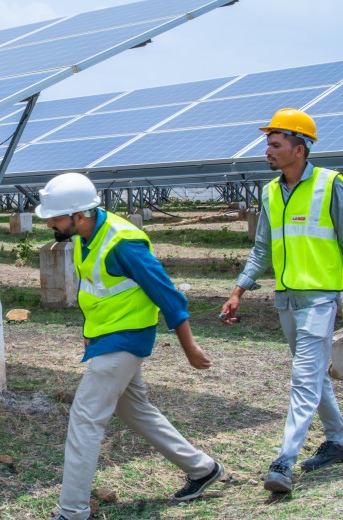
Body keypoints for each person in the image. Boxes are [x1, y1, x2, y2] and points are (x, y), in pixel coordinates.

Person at [37, 172, 223, 520]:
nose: (50, 222)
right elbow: (99, 291)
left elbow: (168, 296)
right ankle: (203, 469)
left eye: (56, 216)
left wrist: (190, 347)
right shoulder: (85, 236)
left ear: (80, 215)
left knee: (84, 419)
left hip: (125, 341)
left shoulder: (123, 243)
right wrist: (90, 330)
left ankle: (73, 511)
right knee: (134, 409)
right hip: (107, 337)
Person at [219, 108, 343, 494]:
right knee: (315, 375)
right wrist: (239, 290)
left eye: (275, 144)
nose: (268, 151)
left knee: (303, 380)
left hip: (321, 300)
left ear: (300, 149)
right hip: (286, 300)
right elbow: (262, 249)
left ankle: (284, 460)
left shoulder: (330, 184)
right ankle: (339, 441)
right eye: (268, 144)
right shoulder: (270, 192)